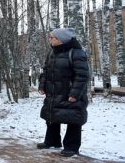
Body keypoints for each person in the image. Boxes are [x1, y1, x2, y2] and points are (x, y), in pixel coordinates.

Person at [37, 28, 89, 157]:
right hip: (54, 92)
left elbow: (82, 76)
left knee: (73, 119)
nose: (50, 39)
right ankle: (52, 141)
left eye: (52, 37)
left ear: (61, 40)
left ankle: (71, 148)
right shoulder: (52, 53)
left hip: (70, 93)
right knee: (51, 116)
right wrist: (42, 85)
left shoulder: (77, 53)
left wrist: (74, 94)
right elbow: (45, 71)